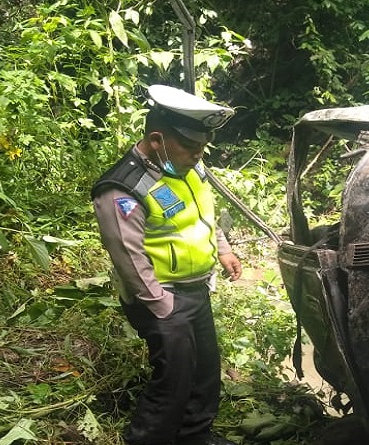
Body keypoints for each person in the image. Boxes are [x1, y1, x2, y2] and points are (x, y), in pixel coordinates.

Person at [91, 84, 243, 445]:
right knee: (173, 381)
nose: (198, 155)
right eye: (190, 146)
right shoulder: (122, 188)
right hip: (160, 295)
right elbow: (127, 256)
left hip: (196, 288)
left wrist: (222, 249)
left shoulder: (188, 167)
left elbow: (202, 214)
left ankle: (194, 436)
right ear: (157, 140)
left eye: (202, 147)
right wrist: (163, 306)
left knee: (205, 371)